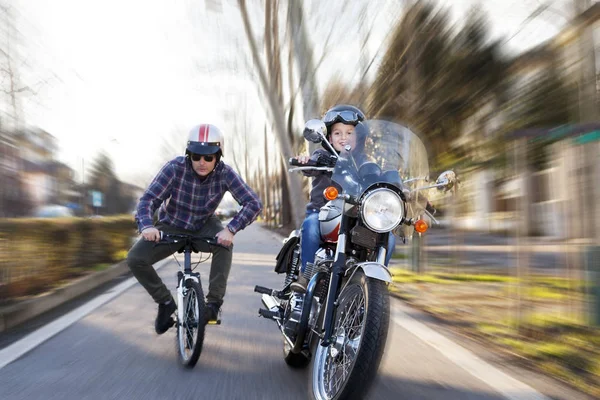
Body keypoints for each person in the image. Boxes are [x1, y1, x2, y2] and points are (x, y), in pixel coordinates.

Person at [127, 123, 262, 334]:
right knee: (135, 258)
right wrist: (147, 226)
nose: (202, 162)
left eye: (209, 157)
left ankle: (213, 305)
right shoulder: (174, 168)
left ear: (218, 157)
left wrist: (231, 229)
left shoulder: (225, 174)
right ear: (189, 154)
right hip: (170, 225)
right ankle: (165, 303)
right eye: (196, 156)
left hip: (203, 225)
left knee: (224, 245)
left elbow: (253, 203)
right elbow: (147, 200)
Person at [290, 105, 396, 293]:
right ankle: (306, 275)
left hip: (355, 216)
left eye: (349, 133)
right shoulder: (322, 155)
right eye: (337, 133)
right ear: (329, 137)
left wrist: (401, 187)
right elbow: (310, 167)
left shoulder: (364, 161)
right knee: (311, 226)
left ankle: (375, 285)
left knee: (389, 236)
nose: (343, 137)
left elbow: (378, 177)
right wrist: (306, 162)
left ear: (359, 138)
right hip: (323, 213)